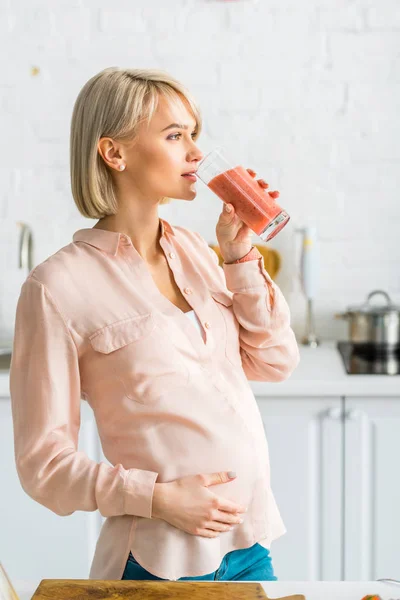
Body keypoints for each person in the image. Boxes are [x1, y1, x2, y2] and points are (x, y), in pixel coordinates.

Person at [9, 67, 300, 583]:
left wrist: (238, 256)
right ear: (113, 153)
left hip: (249, 544)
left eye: (195, 135)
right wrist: (158, 499)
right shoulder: (56, 286)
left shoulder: (194, 251)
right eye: (174, 136)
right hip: (158, 564)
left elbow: (274, 363)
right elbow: (43, 466)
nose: (195, 153)